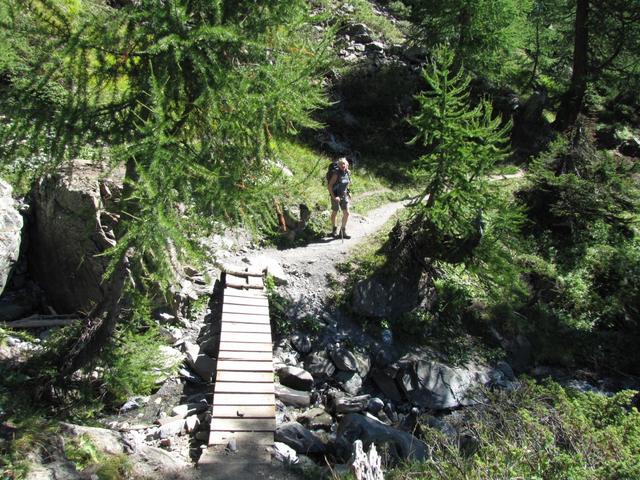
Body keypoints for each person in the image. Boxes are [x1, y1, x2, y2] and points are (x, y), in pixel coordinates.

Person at [328, 157, 352, 239]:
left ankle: (342, 232)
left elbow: (346, 184)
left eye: (344, 164)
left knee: (347, 213)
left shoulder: (348, 173)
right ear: (338, 165)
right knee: (335, 212)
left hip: (344, 195)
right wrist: (334, 197)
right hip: (335, 196)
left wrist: (348, 192)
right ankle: (334, 230)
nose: (343, 165)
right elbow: (330, 186)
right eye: (341, 164)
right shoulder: (336, 174)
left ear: (346, 165)